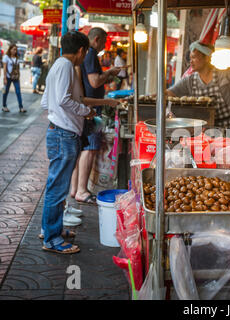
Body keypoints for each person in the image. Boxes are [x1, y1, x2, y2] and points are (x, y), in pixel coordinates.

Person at [40, 31, 119, 254]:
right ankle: (52, 238)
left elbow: (47, 101)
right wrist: (84, 112)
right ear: (82, 50)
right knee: (57, 188)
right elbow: (64, 100)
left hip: (60, 131)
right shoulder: (66, 66)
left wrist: (64, 114)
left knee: (58, 186)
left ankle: (51, 229)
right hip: (63, 135)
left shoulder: (57, 65)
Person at [70, 27, 120, 206]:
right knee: (89, 149)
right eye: (105, 41)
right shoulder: (90, 53)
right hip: (89, 110)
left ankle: (75, 189)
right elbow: (94, 81)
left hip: (86, 108)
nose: (105, 46)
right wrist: (110, 73)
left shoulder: (86, 55)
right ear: (96, 39)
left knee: (82, 149)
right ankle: (82, 190)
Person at [168, 41, 230, 131]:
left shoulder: (226, 75)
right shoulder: (190, 81)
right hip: (209, 128)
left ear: (207, 58)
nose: (191, 62)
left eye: (194, 57)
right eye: (190, 58)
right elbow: (171, 92)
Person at [2, 44, 26, 113]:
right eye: (13, 49)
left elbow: (17, 68)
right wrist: (5, 78)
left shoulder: (17, 58)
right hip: (8, 77)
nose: (15, 51)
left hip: (15, 78)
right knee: (5, 92)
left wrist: (18, 76)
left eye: (16, 50)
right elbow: (4, 68)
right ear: (10, 49)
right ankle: (4, 106)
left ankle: (21, 107)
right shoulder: (6, 57)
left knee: (18, 92)